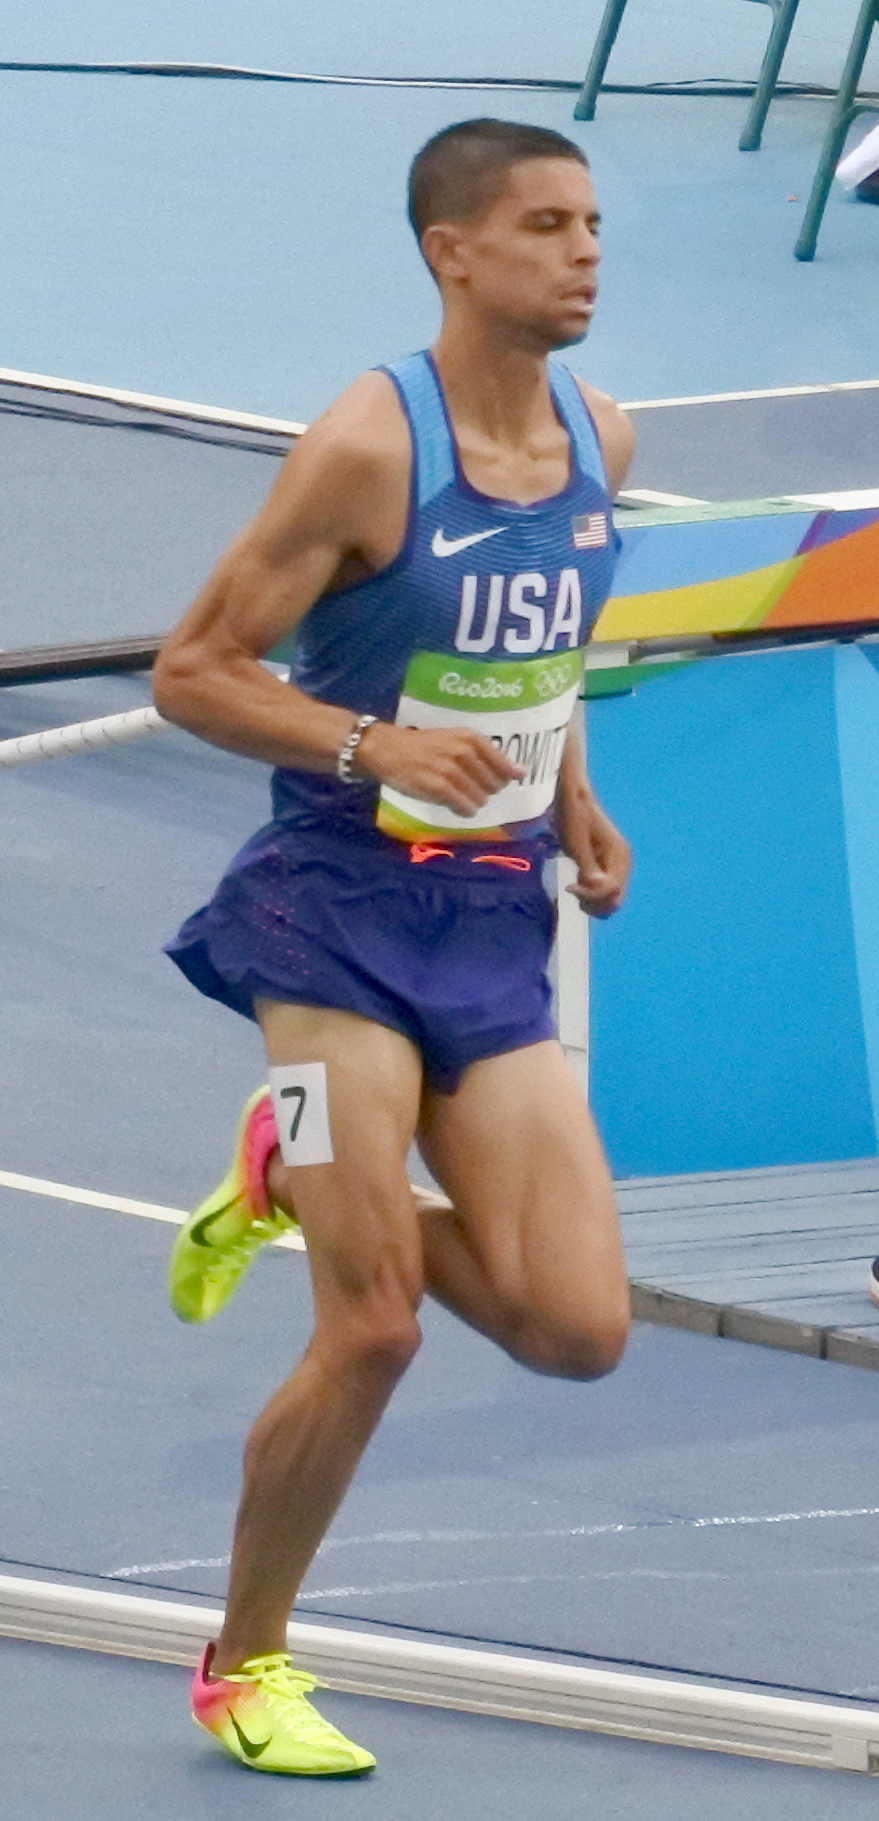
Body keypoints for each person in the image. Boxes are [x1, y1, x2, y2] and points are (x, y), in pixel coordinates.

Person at [154, 116, 634, 1778]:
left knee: (578, 1326)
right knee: (371, 1325)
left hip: (494, 911)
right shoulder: (367, 447)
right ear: (454, 252)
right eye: (547, 226)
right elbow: (195, 669)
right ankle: (245, 1662)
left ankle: (292, 1168)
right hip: (336, 904)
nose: (585, 254)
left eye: (594, 225)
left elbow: (546, 649)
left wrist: (573, 793)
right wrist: (365, 747)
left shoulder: (600, 434)